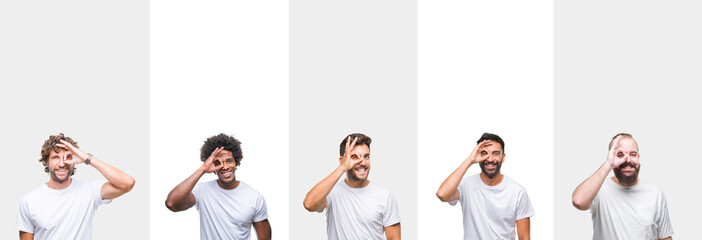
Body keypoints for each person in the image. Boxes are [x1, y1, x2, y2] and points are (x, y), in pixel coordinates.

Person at [16, 133, 136, 240]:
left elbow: (127, 183)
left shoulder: (89, 191)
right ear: (46, 162)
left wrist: (86, 158)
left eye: (67, 157)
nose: (62, 163)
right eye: (55, 157)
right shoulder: (29, 201)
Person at [165, 133, 271, 240]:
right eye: (218, 163)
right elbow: (171, 203)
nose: (225, 167)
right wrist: (202, 170)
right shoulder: (202, 191)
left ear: (236, 162)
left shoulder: (254, 197)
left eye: (229, 161)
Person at [572, 133, 673, 240]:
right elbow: (578, 201)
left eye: (633, 154)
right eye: (620, 155)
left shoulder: (655, 193)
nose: (627, 160)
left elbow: (665, 237)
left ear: (638, 158)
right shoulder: (599, 189)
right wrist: (608, 164)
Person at [436, 133, 534, 240]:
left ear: (503, 157)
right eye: (484, 153)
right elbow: (442, 194)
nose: (490, 159)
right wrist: (470, 160)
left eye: (495, 153)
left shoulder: (517, 192)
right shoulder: (465, 185)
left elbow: (524, 237)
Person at [303, 133, 401, 240]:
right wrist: (342, 168)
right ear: (342, 161)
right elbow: (309, 204)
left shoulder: (385, 196)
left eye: (366, 156)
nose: (362, 162)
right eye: (354, 157)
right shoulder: (331, 192)